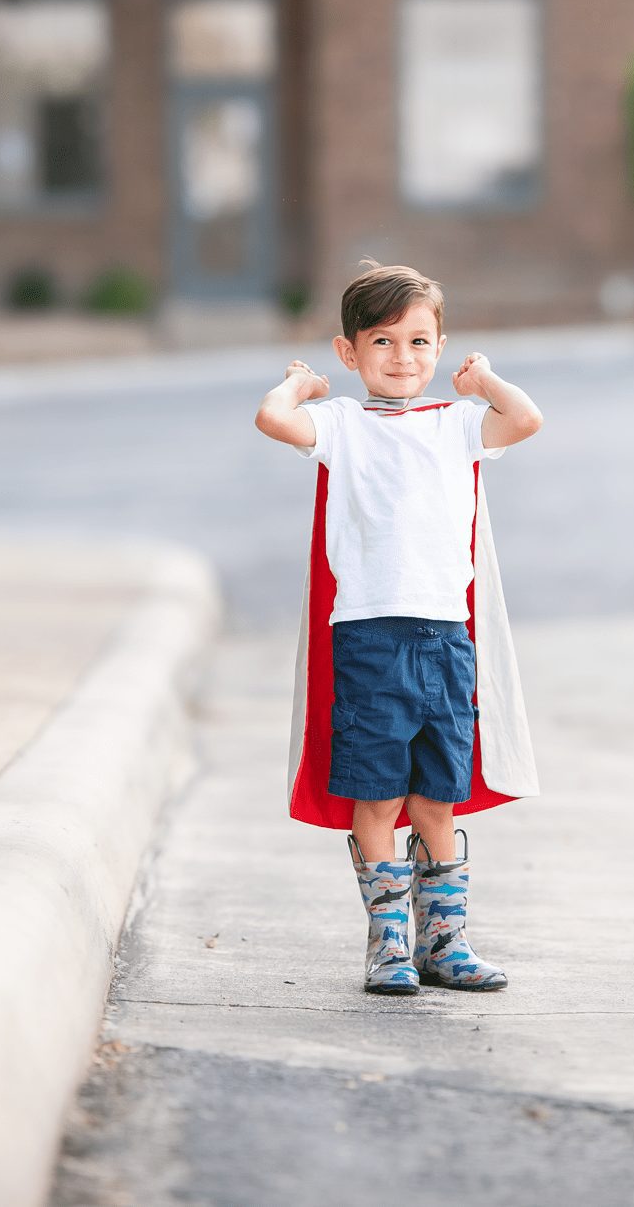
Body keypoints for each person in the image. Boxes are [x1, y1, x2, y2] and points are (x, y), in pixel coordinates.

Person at [255, 261, 544, 995]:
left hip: (446, 637)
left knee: (436, 798)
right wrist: (302, 384)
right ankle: (389, 946)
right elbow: (272, 417)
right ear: (349, 352)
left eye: (420, 341)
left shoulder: (458, 423)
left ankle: (445, 942)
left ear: (440, 347)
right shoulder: (341, 425)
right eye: (382, 341)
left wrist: (485, 382)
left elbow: (527, 419)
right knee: (378, 795)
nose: (403, 357)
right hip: (369, 637)